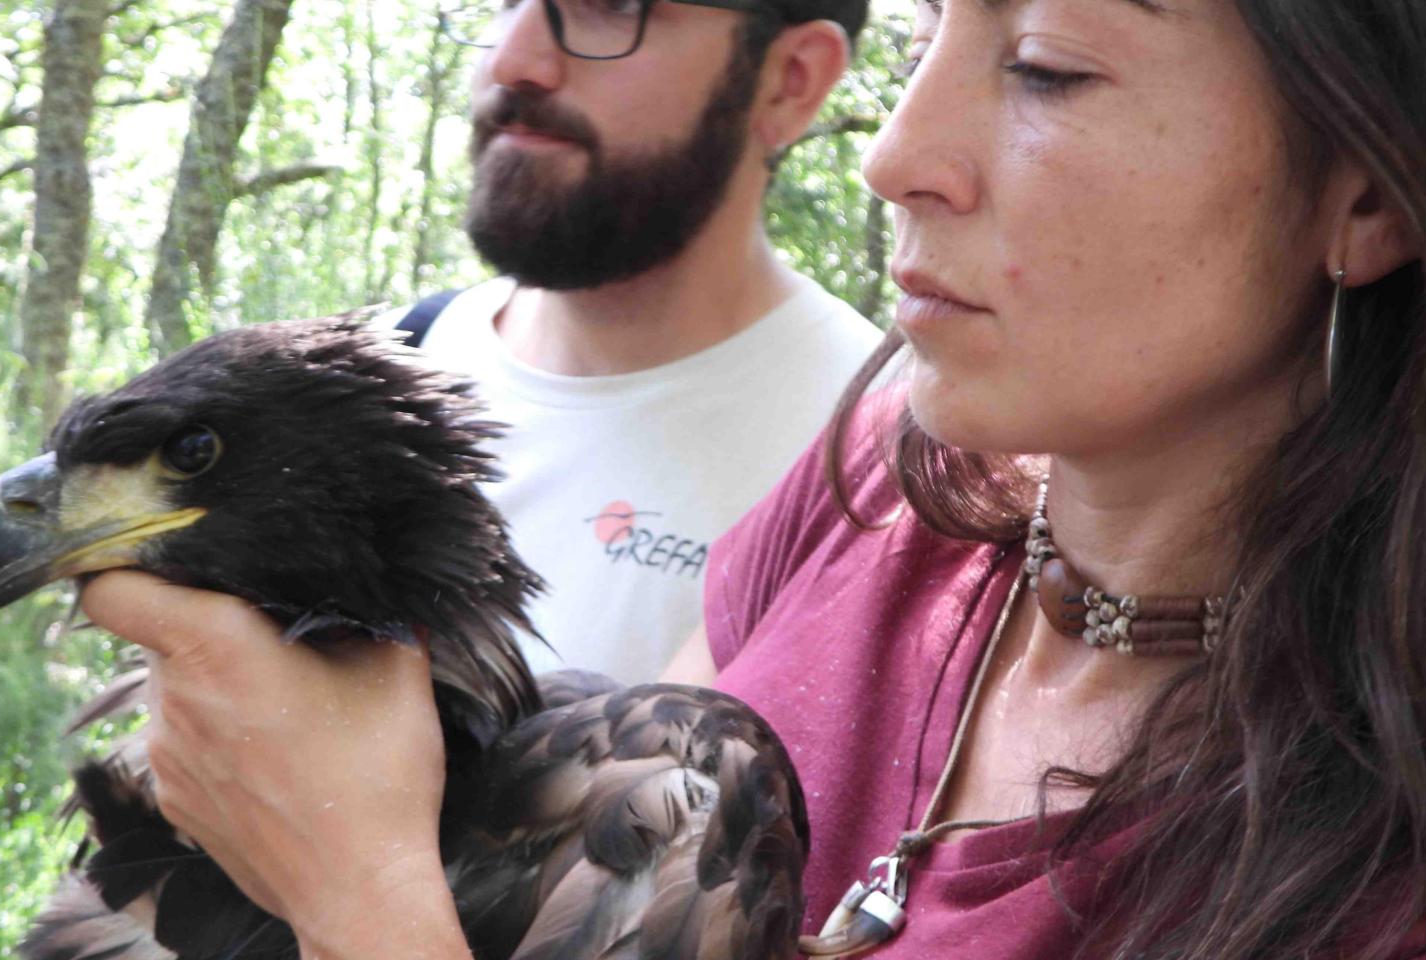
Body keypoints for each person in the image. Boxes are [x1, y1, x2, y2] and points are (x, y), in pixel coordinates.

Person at [85, 0, 1426, 957]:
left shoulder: (1381, 880)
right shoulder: (875, 491)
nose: (893, 156)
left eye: (1045, 68)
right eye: (923, 38)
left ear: (1366, 191)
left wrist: (357, 892)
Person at [379, 0, 880, 683]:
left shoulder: (882, 469)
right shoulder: (382, 377)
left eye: (612, 7)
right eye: (504, 1)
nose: (512, 60)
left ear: (790, 80)